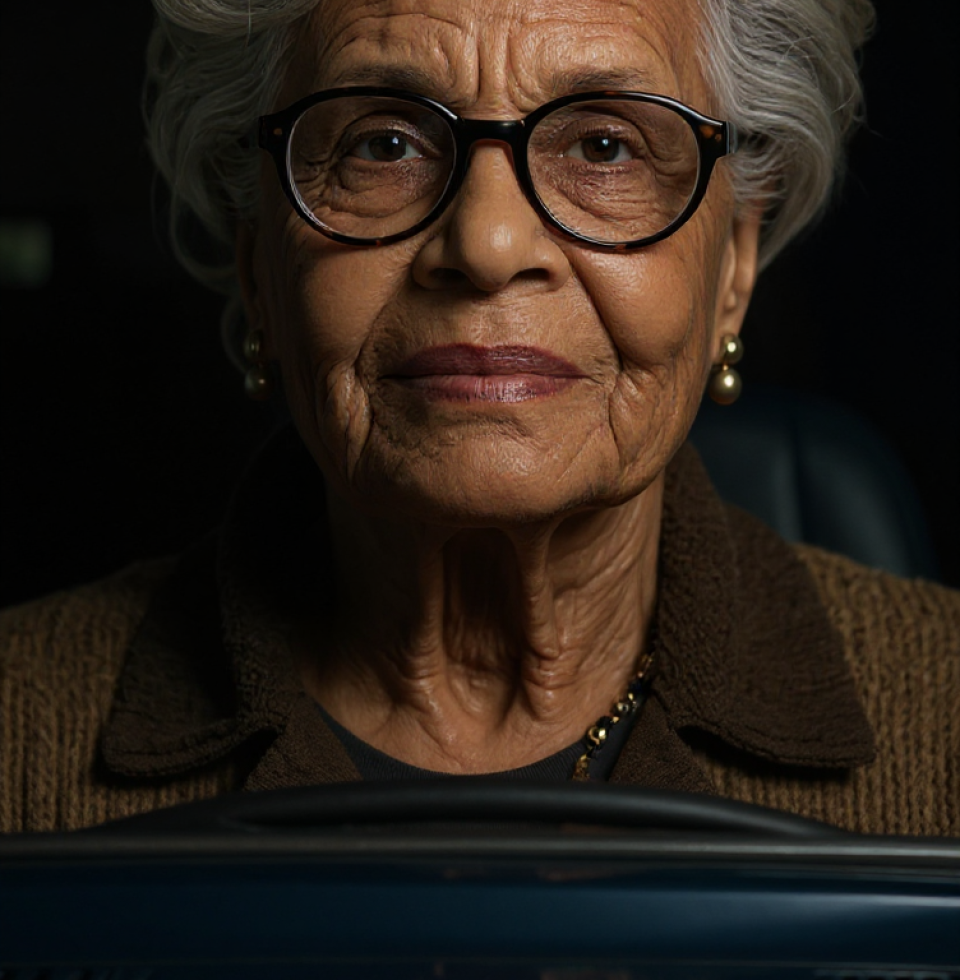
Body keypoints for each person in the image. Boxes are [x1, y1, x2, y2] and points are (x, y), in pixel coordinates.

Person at [1, 0, 957, 836]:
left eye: (604, 146)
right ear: (259, 265)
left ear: (734, 268)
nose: (490, 244)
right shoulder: (20, 733)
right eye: (383, 143)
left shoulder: (942, 715)